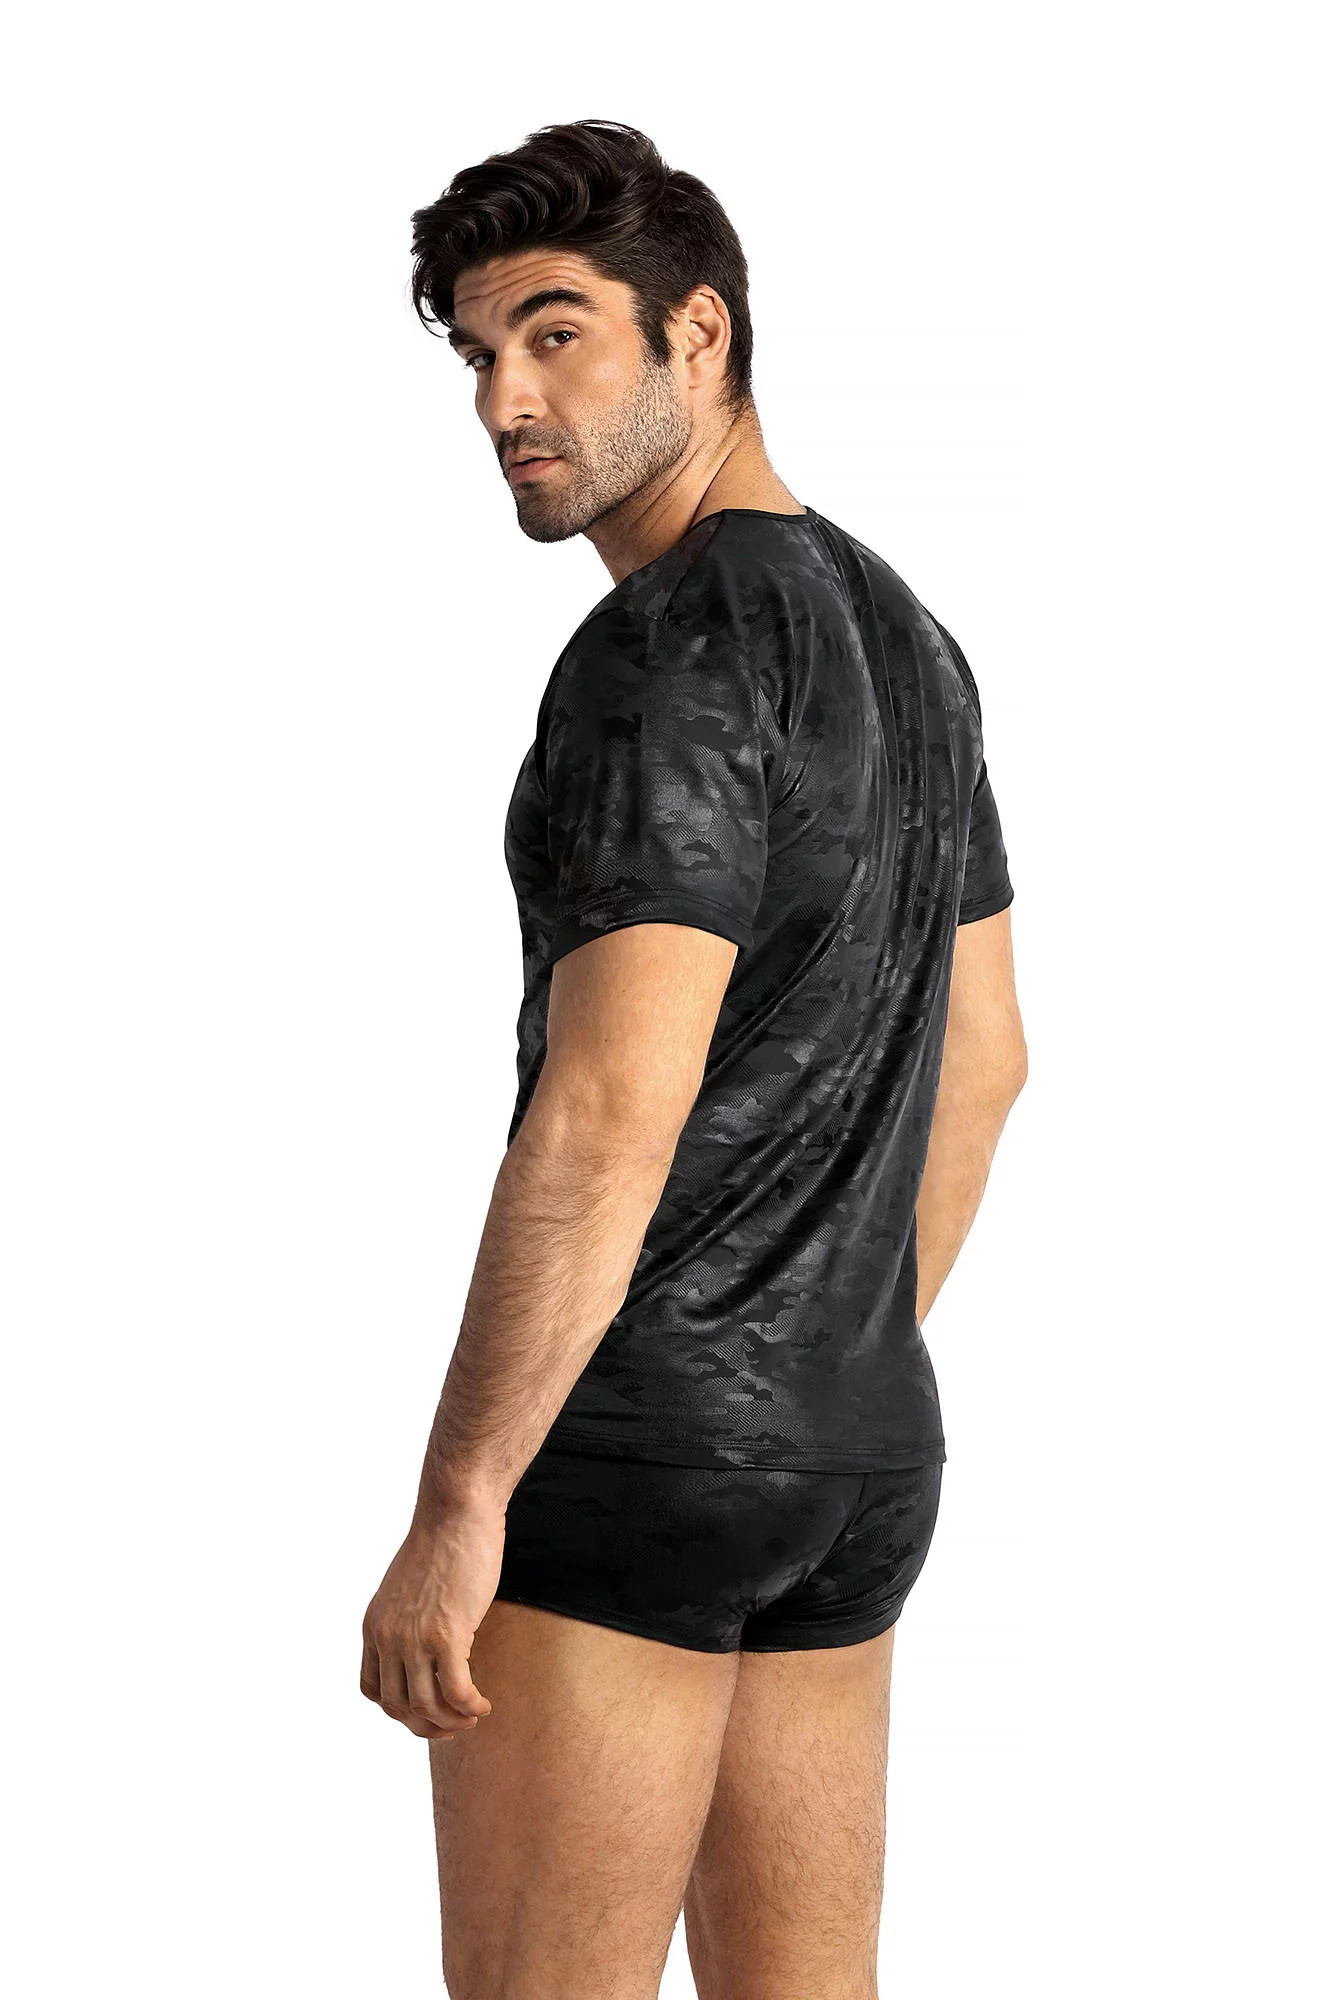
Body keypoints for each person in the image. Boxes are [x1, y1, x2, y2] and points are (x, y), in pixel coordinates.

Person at [361, 118, 1027, 2000]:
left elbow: (603, 1111)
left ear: (700, 333)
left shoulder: (663, 648)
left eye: (556, 334)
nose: (504, 399)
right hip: (858, 1452)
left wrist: (461, 1503)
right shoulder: (909, 642)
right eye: (479, 352)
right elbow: (989, 1058)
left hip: (635, 1455)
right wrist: (809, 1347)